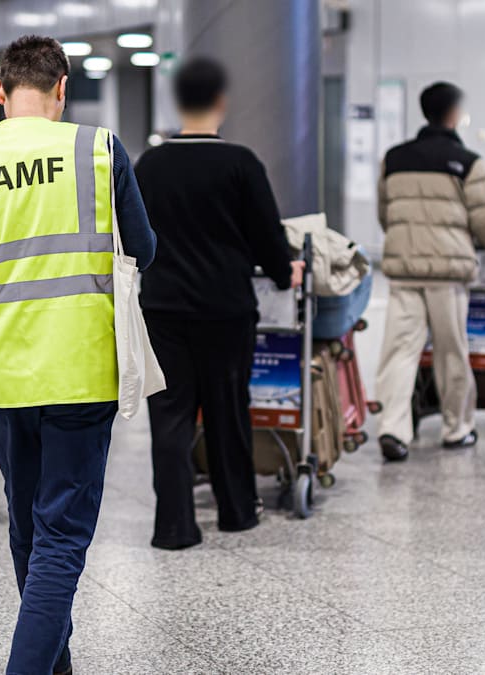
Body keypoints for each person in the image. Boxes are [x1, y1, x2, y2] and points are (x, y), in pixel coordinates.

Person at [0, 36, 155, 675]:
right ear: (62, 88)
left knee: (28, 528)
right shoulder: (98, 150)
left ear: (0, 92)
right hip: (80, 366)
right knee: (61, 537)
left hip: (1, 372)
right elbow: (143, 248)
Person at [135, 57, 303, 550]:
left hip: (163, 308)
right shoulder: (240, 163)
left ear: (178, 102)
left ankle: (173, 526)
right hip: (225, 309)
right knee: (227, 411)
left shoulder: (150, 164)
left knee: (169, 417)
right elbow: (267, 236)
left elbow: (133, 235)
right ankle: (236, 511)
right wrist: (284, 272)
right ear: (221, 102)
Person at [375, 81, 485, 462]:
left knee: (400, 351)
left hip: (405, 271)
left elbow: (386, 215)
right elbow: (484, 223)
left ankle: (393, 429)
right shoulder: (468, 162)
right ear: (454, 113)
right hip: (447, 274)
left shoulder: (394, 158)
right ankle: (457, 428)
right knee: (451, 352)